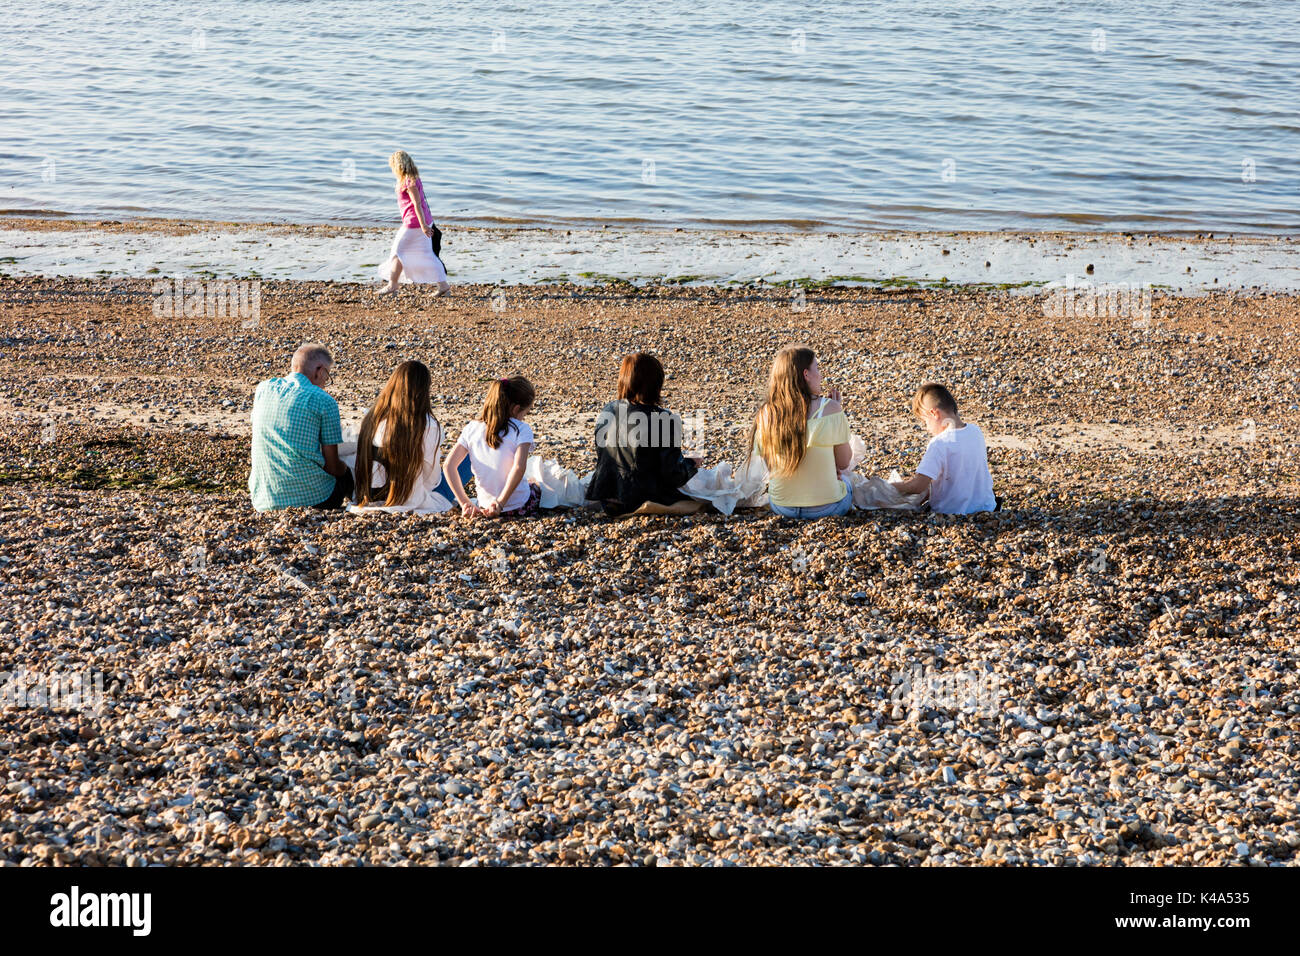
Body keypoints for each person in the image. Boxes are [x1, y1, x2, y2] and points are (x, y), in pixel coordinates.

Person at [586, 352, 701, 516]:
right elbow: (673, 475)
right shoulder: (664, 419)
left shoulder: (608, 410)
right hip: (638, 498)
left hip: (605, 494)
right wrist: (691, 464)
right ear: (655, 385)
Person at [352, 360, 471, 511]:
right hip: (409, 501)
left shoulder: (372, 418)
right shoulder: (426, 424)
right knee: (470, 454)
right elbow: (432, 480)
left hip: (369, 498)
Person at [749, 346, 853, 519]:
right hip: (827, 508)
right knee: (848, 482)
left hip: (783, 506)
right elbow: (844, 462)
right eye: (817, 369)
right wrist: (837, 410)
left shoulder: (767, 413)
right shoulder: (831, 409)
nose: (820, 375)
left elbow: (771, 466)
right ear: (806, 375)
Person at [249, 343, 353, 511]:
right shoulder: (323, 400)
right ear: (319, 370)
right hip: (315, 500)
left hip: (262, 500)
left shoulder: (263, 389)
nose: (325, 382)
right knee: (347, 470)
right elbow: (332, 466)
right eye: (327, 376)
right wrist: (348, 469)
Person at [442, 376, 541, 518]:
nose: (524, 417)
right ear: (516, 409)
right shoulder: (521, 429)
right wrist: (500, 503)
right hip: (517, 506)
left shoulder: (472, 428)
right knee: (536, 486)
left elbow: (448, 465)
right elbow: (519, 468)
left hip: (484, 505)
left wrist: (465, 503)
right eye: (525, 413)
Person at [892, 383, 997, 514]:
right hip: (987, 508)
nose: (927, 428)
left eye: (925, 421)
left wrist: (887, 487)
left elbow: (918, 486)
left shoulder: (939, 443)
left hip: (953, 513)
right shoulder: (976, 431)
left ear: (934, 414)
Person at [377, 150, 450, 297]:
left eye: (392, 165)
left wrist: (423, 226)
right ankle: (444, 286)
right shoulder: (410, 178)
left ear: (398, 165)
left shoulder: (409, 181)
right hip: (419, 222)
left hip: (415, 223)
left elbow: (417, 204)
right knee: (427, 255)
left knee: (398, 251)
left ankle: (392, 285)